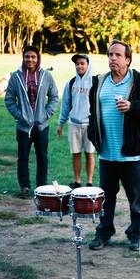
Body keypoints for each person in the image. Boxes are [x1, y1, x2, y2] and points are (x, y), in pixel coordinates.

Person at [88, 39, 140, 252]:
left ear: (128, 59)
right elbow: (93, 114)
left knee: (136, 199)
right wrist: (93, 135)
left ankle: (135, 235)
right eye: (110, 55)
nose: (113, 59)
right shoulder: (99, 82)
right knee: (105, 198)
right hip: (106, 154)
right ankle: (104, 232)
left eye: (117, 55)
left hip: (131, 155)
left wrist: (133, 106)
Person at [4, 45, 59, 199]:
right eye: (27, 56)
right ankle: (24, 187)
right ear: (23, 58)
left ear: (38, 58)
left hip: (41, 125)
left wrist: (47, 114)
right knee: (23, 156)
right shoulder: (16, 77)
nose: (30, 59)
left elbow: (54, 96)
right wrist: (19, 115)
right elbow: (9, 99)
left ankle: (41, 186)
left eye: (33, 57)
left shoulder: (46, 76)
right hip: (23, 126)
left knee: (42, 156)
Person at [57, 53, 95, 188]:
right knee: (76, 153)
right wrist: (60, 123)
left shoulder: (94, 82)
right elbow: (65, 104)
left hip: (89, 124)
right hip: (73, 123)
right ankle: (77, 181)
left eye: (82, 63)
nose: (79, 66)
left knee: (90, 153)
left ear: (88, 65)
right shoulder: (71, 82)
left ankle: (89, 182)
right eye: (77, 64)